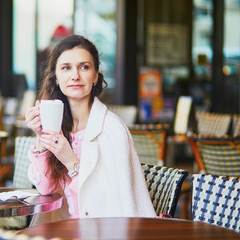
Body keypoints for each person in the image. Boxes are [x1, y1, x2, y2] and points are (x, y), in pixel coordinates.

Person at [25, 35, 156, 223]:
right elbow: (46, 190)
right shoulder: (60, 127)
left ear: (95, 76)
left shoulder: (111, 129)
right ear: (55, 78)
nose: (75, 76)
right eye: (66, 68)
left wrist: (70, 161)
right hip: (64, 229)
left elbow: (110, 203)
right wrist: (41, 137)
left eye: (84, 67)